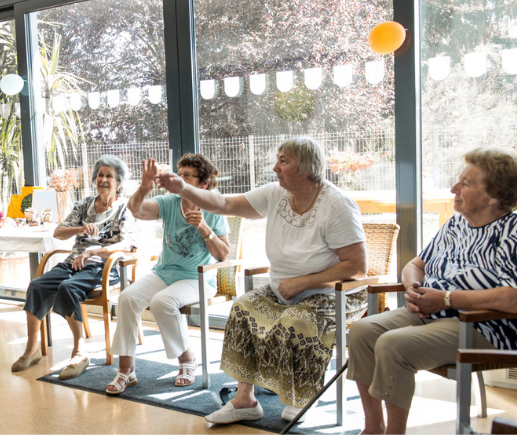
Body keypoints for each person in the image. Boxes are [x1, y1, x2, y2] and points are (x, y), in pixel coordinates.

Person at [156, 136, 368, 424]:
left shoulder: (337, 205)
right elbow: (223, 204)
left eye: (283, 161)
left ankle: (301, 396)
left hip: (333, 293)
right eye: (277, 160)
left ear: (305, 168)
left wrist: (303, 282)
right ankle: (245, 399)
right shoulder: (275, 194)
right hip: (283, 289)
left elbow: (356, 267)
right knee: (243, 309)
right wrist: (182, 188)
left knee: (298, 322)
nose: (275, 167)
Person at [347, 147, 517, 435]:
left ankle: (395, 434)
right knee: (362, 332)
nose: (454, 188)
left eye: (466, 183)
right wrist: (413, 285)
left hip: (483, 326)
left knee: (392, 345)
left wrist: (447, 299)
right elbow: (417, 263)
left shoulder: (511, 232)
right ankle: (373, 426)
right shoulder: (456, 224)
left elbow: (512, 298)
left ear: (494, 196)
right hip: (435, 312)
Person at [105, 154, 230, 394]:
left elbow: (223, 255)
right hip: (164, 273)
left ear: (203, 183)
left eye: (187, 176)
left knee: (162, 302)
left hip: (198, 278)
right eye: (179, 174)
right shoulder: (170, 202)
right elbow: (136, 210)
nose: (180, 179)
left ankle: (187, 359)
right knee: (127, 298)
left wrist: (204, 227)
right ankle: (127, 369)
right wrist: (144, 188)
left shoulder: (213, 207)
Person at [11, 154, 136, 379]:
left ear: (118, 183)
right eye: (100, 175)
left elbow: (127, 244)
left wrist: (94, 251)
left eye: (109, 176)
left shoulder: (123, 208)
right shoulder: (84, 205)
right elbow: (58, 232)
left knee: (68, 288)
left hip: (103, 266)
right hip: (73, 262)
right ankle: (32, 349)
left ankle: (79, 352)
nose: (104, 180)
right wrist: (80, 230)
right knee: (37, 285)